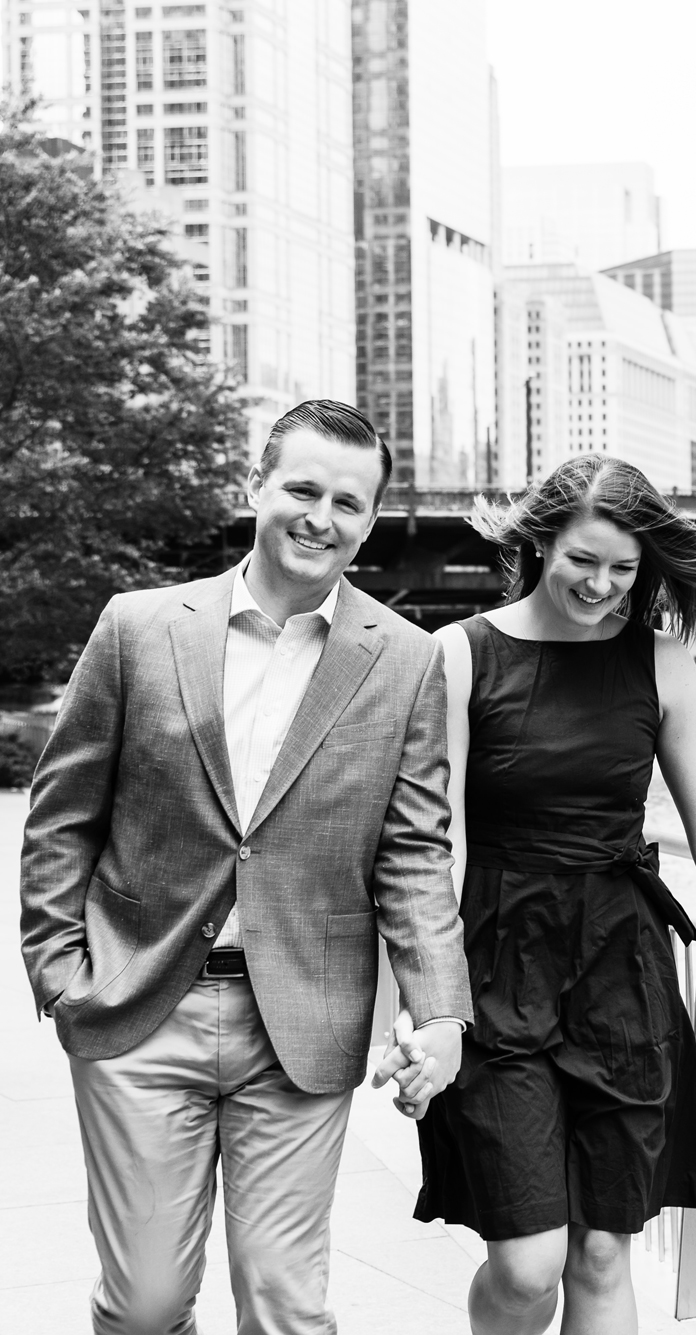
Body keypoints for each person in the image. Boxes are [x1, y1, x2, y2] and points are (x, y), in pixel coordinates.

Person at [18, 399, 474, 1334]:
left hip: (299, 1023)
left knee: (284, 1302)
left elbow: (415, 855)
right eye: (301, 489)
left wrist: (440, 1012)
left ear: (371, 519)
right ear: (255, 488)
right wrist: (59, 972)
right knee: (145, 1306)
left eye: (349, 502)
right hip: (137, 1006)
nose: (321, 517)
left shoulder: (407, 661)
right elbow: (61, 815)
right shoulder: (138, 628)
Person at [385, 454, 696, 1335]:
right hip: (496, 971)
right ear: (542, 540)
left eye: (625, 569)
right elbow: (443, 845)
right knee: (527, 1262)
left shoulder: (662, 662)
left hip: (623, 976)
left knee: (605, 1250)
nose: (603, 584)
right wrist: (425, 1004)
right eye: (585, 560)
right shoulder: (461, 655)